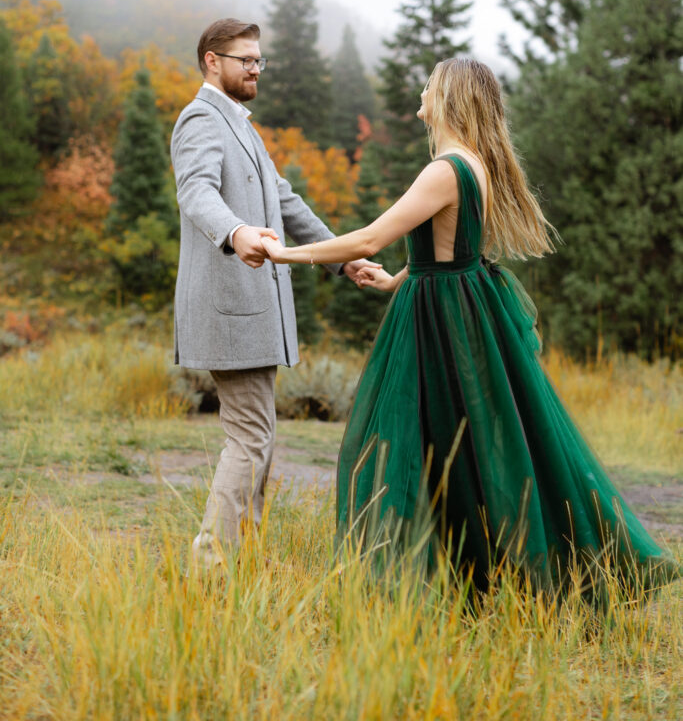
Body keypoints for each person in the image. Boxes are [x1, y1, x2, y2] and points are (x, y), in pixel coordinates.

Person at [261, 57, 678, 593]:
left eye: (430, 83)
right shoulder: (473, 163)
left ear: (449, 96)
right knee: (472, 438)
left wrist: (284, 256)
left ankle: (439, 576)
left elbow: (368, 240)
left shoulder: (445, 169)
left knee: (414, 439)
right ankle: (480, 575)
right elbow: (453, 248)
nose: (422, 89)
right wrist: (396, 282)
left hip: (443, 318)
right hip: (458, 304)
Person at [171, 18, 372, 568]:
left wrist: (343, 257)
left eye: (260, 59)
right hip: (229, 309)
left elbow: (286, 203)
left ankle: (242, 559)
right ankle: (210, 567)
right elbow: (196, 191)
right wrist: (235, 234)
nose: (256, 68)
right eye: (245, 60)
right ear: (212, 61)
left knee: (260, 436)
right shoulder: (201, 120)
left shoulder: (244, 128)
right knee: (251, 437)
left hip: (254, 315)